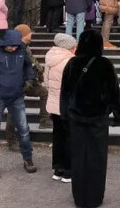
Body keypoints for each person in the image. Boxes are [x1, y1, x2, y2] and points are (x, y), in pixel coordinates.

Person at [59, 30, 120, 208]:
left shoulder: (71, 64)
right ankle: (95, 198)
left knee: (78, 158)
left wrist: (65, 115)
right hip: (98, 119)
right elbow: (114, 92)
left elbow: (64, 93)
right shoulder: (105, 64)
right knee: (97, 159)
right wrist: (118, 114)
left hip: (76, 118)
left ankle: (79, 197)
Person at [0, 29, 37, 180]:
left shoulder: (22, 49)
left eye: (16, 46)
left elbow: (28, 66)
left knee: (23, 129)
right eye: (10, 46)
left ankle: (27, 158)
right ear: (3, 43)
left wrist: (29, 80)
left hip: (17, 95)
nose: (13, 48)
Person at [6, 24, 53, 150]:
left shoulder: (24, 47)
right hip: (17, 84)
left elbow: (31, 63)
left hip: (28, 82)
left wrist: (37, 74)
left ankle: (44, 120)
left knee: (43, 92)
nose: (31, 34)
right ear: (23, 35)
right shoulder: (15, 48)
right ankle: (11, 140)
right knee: (13, 111)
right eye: (29, 32)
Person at [43, 33, 77, 183]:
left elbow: (46, 82)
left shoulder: (50, 58)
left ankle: (58, 169)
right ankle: (69, 171)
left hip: (53, 105)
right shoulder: (71, 61)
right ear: (70, 47)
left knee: (58, 137)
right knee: (70, 137)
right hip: (67, 106)